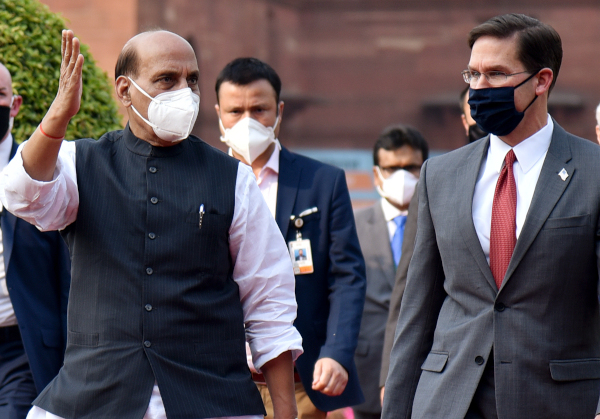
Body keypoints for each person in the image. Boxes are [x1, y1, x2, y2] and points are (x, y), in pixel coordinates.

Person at [0, 30, 303, 419]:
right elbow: (22, 195)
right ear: (125, 91)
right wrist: (59, 115)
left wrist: (285, 411)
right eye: (167, 80)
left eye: (192, 80)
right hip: (93, 397)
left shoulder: (233, 179)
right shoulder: (82, 162)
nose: (185, 92)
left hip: (210, 399)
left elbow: (269, 300)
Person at [382, 13, 600, 419]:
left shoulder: (594, 172)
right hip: (447, 400)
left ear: (542, 80)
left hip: (556, 402)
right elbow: (417, 311)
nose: (480, 88)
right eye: (473, 75)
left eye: (496, 75)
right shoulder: (439, 175)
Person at [215, 57, 366, 419]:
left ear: (279, 111)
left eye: (260, 109)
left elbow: (347, 276)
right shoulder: (203, 181)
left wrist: (336, 351)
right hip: (222, 378)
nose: (248, 121)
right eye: (236, 111)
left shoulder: (321, 183)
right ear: (219, 113)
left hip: (302, 379)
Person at [378, 88, 489, 405]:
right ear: (464, 118)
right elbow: (410, 295)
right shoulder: (440, 178)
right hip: (453, 377)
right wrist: (393, 379)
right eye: (475, 106)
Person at [0, 63, 71, 419]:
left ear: (14, 104)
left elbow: (66, 277)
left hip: (23, 349)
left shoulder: (43, 171)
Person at [352, 125, 427, 419]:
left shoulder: (444, 225)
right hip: (366, 372)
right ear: (376, 174)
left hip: (425, 368)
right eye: (392, 168)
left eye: (411, 167)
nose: (402, 176)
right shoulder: (352, 225)